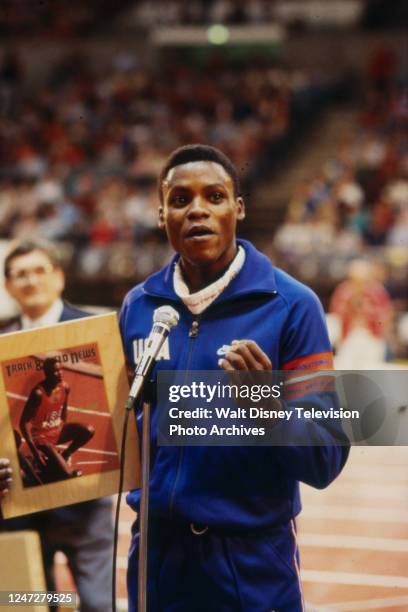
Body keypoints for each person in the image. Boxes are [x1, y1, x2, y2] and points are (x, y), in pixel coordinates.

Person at [120, 144, 350, 612]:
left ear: (238, 208)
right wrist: (25, 473)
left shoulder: (292, 305)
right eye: (181, 200)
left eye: (215, 196)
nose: (197, 210)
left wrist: (268, 408)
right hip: (157, 557)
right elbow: (114, 437)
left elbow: (327, 457)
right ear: (161, 213)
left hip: (250, 562)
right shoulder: (138, 307)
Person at [0, 240, 113, 612]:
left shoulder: (96, 332)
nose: (31, 281)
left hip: (86, 502)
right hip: (22, 503)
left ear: (58, 278)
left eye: (39, 271)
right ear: (9, 287)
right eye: (20, 274)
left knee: (98, 603)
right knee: (35, 600)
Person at [19, 356, 95, 484]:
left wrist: (61, 427)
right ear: (47, 374)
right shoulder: (38, 393)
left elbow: (64, 411)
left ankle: (65, 454)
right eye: (55, 371)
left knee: (89, 430)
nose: (60, 373)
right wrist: (36, 452)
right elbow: (23, 423)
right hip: (41, 438)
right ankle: (66, 471)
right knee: (65, 474)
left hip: (56, 432)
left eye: (61, 370)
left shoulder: (65, 387)